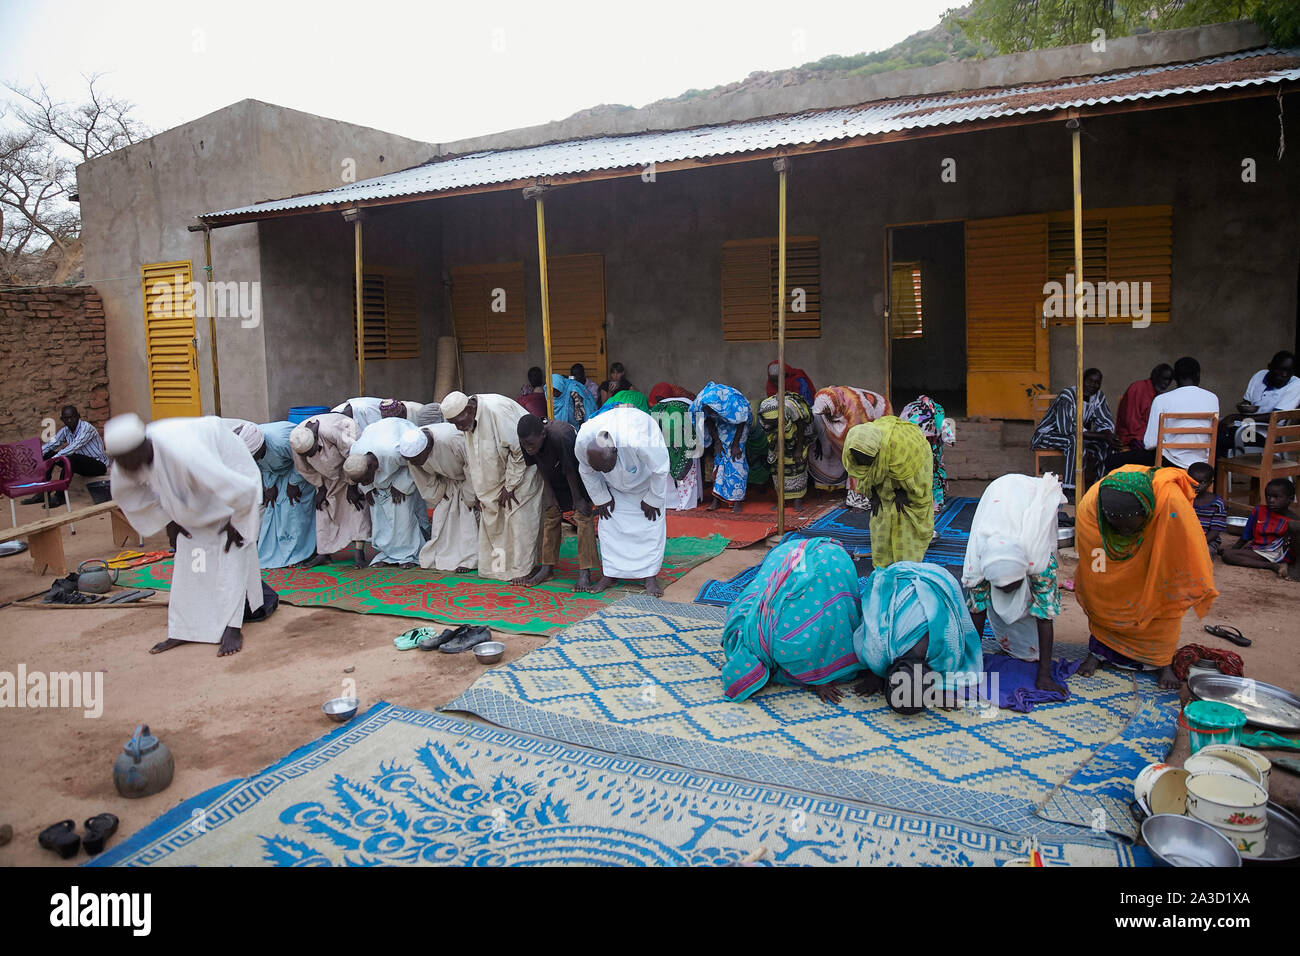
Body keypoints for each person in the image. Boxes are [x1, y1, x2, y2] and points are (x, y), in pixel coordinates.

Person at [106, 413, 263, 657]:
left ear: (144, 447)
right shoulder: (126, 461)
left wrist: (238, 520)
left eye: (127, 461)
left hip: (229, 472)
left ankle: (232, 627)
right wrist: (169, 519)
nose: (123, 467)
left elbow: (237, 487)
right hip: (193, 500)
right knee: (192, 564)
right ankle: (185, 629)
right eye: (119, 462)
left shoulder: (185, 451)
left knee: (231, 556)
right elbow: (129, 495)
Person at [1075, 466, 1218, 688]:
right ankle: (1098, 652)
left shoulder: (1171, 503)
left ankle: (1162, 662)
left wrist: (1158, 568)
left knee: (1164, 599)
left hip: (1156, 546)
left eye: (1131, 529)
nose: (1125, 534)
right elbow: (1094, 558)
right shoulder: (1091, 507)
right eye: (1118, 529)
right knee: (1099, 590)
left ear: (1148, 511)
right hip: (1104, 548)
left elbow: (1184, 547)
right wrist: (1103, 578)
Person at [721, 538, 867, 702]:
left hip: (806, 555)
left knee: (827, 607)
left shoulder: (743, 625)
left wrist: (820, 674)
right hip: (806, 556)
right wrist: (821, 676)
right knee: (828, 610)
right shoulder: (753, 629)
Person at [961, 472, 1067, 693]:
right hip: (997, 496)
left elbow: (1046, 615)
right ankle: (1010, 643)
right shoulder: (976, 566)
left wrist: (1044, 675)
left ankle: (1026, 647)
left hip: (1027, 495)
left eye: (1013, 587)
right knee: (984, 604)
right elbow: (976, 612)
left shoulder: (1039, 562)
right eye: (1001, 589)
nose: (1007, 594)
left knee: (1037, 621)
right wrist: (970, 667)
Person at [853, 561, 983, 713]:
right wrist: (875, 673)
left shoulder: (877, 654)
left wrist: (875, 672)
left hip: (932, 577)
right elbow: (869, 620)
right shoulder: (948, 655)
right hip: (928, 576)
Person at [441, 391, 545, 581]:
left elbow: (519, 451)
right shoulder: (468, 420)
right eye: (453, 423)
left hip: (522, 474)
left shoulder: (497, 411)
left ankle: (524, 569)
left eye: (459, 421)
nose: (459, 427)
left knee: (521, 523)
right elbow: (476, 459)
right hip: (495, 482)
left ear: (470, 408)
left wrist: (510, 485)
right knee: (496, 527)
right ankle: (501, 568)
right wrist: (480, 491)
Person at [576, 406, 671, 596]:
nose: (603, 471)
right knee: (609, 525)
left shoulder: (637, 439)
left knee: (650, 526)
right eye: (600, 469)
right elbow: (586, 471)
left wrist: (653, 498)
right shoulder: (583, 441)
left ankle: (649, 577)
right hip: (613, 487)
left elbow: (660, 469)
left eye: (606, 466)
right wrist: (601, 498)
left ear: (615, 451)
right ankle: (610, 574)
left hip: (646, 480)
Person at [515, 414, 599, 590]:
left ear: (543, 434)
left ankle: (585, 572)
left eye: (531, 444)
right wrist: (550, 495)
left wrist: (577, 499)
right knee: (551, 514)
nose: (528, 448)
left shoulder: (560, 435)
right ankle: (547, 568)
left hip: (578, 476)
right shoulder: (526, 439)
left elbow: (571, 468)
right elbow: (539, 464)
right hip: (555, 477)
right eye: (524, 445)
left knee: (582, 517)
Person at [842, 417, 933, 567]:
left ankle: (906, 562)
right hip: (889, 458)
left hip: (911, 463)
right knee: (881, 513)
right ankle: (884, 559)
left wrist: (904, 491)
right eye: (860, 459)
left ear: (877, 452)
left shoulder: (901, 449)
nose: (864, 463)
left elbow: (912, 471)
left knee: (903, 513)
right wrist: (873, 492)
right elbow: (866, 473)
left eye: (867, 459)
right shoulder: (854, 448)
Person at [342, 417, 430, 566]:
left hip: (401, 475)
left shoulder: (394, 452)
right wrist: (368, 488)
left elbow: (414, 463)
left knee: (403, 519)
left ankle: (409, 555)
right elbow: (359, 478)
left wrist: (401, 485)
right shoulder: (356, 453)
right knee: (380, 518)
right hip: (380, 481)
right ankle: (388, 554)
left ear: (372, 467)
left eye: (365, 480)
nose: (363, 483)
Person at [290, 413, 372, 567]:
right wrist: (320, 487)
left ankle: (359, 553)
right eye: (307, 454)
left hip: (347, 467)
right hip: (324, 475)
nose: (311, 455)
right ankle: (324, 553)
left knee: (356, 506)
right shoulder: (297, 440)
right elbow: (303, 468)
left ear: (316, 439)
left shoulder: (333, 431)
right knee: (323, 507)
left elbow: (352, 456)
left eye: (312, 451)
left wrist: (352, 485)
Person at [398, 422, 479, 572]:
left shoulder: (452, 439)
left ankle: (470, 558)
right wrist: (440, 492)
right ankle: (448, 556)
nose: (413, 463)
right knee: (443, 519)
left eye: (416, 460)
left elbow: (472, 465)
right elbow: (423, 478)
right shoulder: (413, 451)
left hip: (470, 482)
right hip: (447, 486)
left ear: (427, 448)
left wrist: (470, 495)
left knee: (469, 520)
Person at [235, 421, 316, 569]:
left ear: (260, 446)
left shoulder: (281, 442)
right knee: (273, 507)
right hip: (275, 474)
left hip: (299, 471)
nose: (254, 459)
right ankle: (280, 552)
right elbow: (262, 465)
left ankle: (300, 553)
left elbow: (302, 461)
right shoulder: (254, 449)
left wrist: (293, 483)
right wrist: (269, 486)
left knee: (292, 507)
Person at [1031, 368, 1119, 495]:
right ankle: (1069, 489)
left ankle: (1101, 487)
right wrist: (1103, 436)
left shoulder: (1098, 396)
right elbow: (1067, 429)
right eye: (1089, 381)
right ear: (1081, 381)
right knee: (1075, 442)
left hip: (1077, 435)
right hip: (1047, 435)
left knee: (1106, 444)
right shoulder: (1067, 396)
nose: (1092, 385)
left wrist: (1108, 435)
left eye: (1097, 383)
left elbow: (1104, 421)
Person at [809, 385, 891, 503]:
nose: (825, 414)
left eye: (826, 411)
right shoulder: (829, 403)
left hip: (874, 418)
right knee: (855, 465)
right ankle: (856, 498)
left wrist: (852, 453)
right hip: (855, 432)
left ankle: (863, 499)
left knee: (861, 460)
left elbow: (856, 438)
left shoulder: (854, 408)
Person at [1136, 356, 1220, 470]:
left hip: (1169, 462)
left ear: (1175, 377)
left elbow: (1150, 444)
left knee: (1115, 460)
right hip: (1202, 464)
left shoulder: (1161, 400)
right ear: (1198, 375)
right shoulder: (1212, 398)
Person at [690, 382, 752, 512]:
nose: (709, 412)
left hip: (739, 426)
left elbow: (742, 420)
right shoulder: (702, 404)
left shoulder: (733, 401)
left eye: (711, 411)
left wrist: (736, 444)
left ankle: (737, 500)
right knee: (720, 459)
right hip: (722, 425)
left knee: (736, 462)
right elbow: (708, 420)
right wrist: (717, 442)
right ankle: (716, 499)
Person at [1221, 351, 1300, 452]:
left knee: (1221, 441)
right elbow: (1247, 403)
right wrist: (1243, 409)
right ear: (1270, 367)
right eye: (1280, 369)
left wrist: (1234, 417)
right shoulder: (1259, 375)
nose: (1284, 374)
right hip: (1246, 427)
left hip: (1267, 435)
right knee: (1217, 432)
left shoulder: (1296, 385)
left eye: (1288, 371)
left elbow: (1275, 417)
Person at [29, 405, 109, 506]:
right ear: (62, 419)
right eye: (66, 418)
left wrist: (53, 460)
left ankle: (60, 496)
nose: (69, 420)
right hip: (79, 464)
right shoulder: (65, 430)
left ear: (78, 416)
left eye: (72, 417)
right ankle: (43, 492)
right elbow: (51, 444)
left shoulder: (86, 428)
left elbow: (73, 447)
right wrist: (34, 457)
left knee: (70, 457)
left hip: (98, 465)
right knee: (48, 454)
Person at [1222, 478, 1300, 579]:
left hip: (1283, 555)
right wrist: (1234, 549)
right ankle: (1273, 566)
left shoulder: (1294, 521)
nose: (1271, 500)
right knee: (1228, 554)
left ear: (1290, 499)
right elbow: (1246, 535)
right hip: (1260, 551)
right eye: (1268, 496)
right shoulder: (1259, 511)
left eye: (1276, 497)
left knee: (1228, 554)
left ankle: (1278, 565)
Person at [899, 395, 956, 514]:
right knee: (932, 471)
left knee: (927, 470)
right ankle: (934, 503)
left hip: (921, 444)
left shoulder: (912, 408)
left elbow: (901, 427)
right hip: (926, 443)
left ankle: (924, 502)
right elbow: (949, 437)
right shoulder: (937, 410)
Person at [757, 391, 814, 511]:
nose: (771, 424)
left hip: (796, 439)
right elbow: (768, 430)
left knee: (796, 468)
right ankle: (781, 500)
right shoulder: (764, 412)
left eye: (775, 422)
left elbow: (802, 426)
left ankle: (797, 501)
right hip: (777, 443)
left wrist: (798, 449)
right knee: (777, 471)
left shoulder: (789, 408)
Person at [650, 393, 703, 510]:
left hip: (662, 438)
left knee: (664, 469)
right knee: (688, 470)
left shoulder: (658, 407)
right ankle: (687, 502)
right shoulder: (690, 406)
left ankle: (669, 502)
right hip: (684, 438)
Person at [1115, 364, 1174, 450]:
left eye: (1169, 380)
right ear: (1155, 376)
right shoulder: (1138, 388)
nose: (1167, 383)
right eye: (1165, 379)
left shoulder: (1159, 395)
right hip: (1131, 438)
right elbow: (1132, 423)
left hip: (1149, 437)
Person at [1187, 461, 1227, 557]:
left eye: (1203, 482)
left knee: (1203, 554)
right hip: (1185, 538)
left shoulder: (1218, 504)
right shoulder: (1183, 498)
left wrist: (1198, 543)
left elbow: (1215, 531)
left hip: (1207, 541)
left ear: (1210, 483)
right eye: (1193, 481)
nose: (1197, 485)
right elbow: (1174, 517)